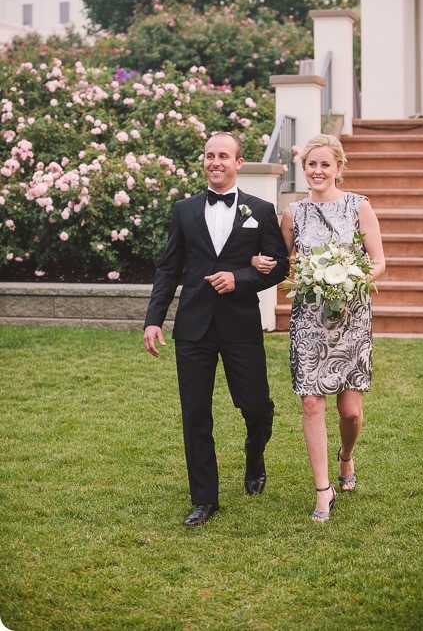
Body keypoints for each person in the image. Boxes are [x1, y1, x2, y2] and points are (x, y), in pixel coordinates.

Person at [143, 132, 289, 527]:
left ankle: (254, 455)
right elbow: (169, 269)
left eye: (224, 155)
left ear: (239, 162)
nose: (215, 162)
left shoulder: (260, 210)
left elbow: (280, 265)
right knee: (195, 414)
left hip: (240, 324)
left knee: (256, 407)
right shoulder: (184, 210)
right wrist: (154, 319)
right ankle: (204, 499)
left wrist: (240, 279)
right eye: (210, 156)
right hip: (193, 326)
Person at [254, 134, 385, 522]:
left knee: (350, 412)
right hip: (309, 321)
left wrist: (351, 278)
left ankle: (346, 457)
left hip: (352, 318)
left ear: (338, 169)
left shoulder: (359, 207)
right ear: (304, 168)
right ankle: (322, 490)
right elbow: (282, 264)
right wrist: (260, 264)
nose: (317, 171)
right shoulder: (294, 214)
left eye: (325, 164)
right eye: (311, 164)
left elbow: (379, 262)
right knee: (311, 402)